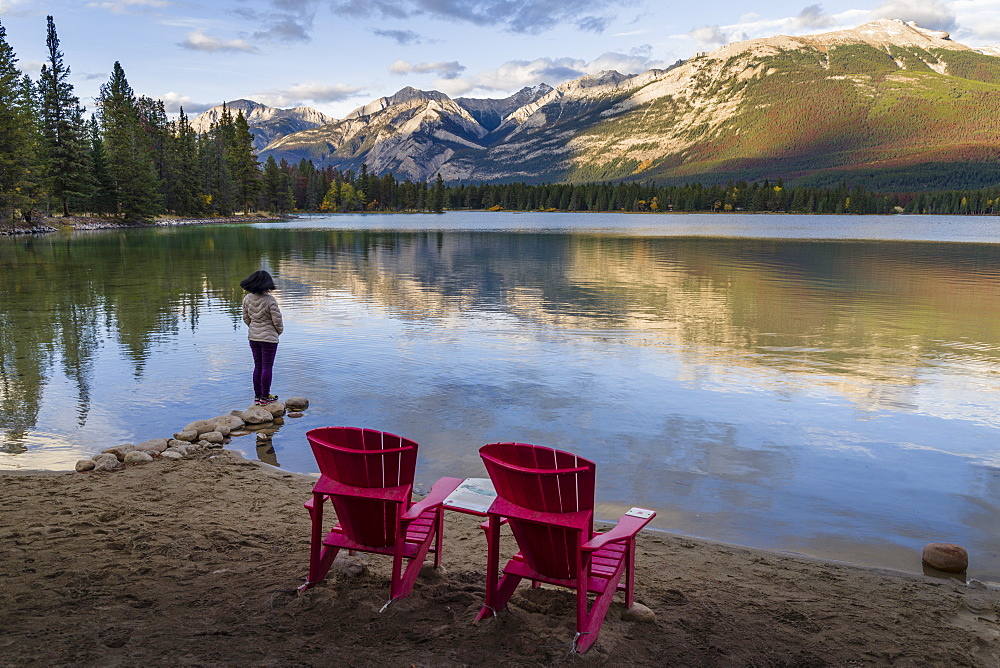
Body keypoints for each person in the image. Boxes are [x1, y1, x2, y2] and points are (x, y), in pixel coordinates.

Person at [240, 270, 283, 405]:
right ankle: (265, 397)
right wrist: (278, 332)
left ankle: (258, 396)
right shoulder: (270, 300)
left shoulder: (247, 299)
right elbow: (277, 321)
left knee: (258, 366)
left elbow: (246, 318)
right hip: (269, 339)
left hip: (253, 337)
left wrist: (254, 328)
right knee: (267, 367)